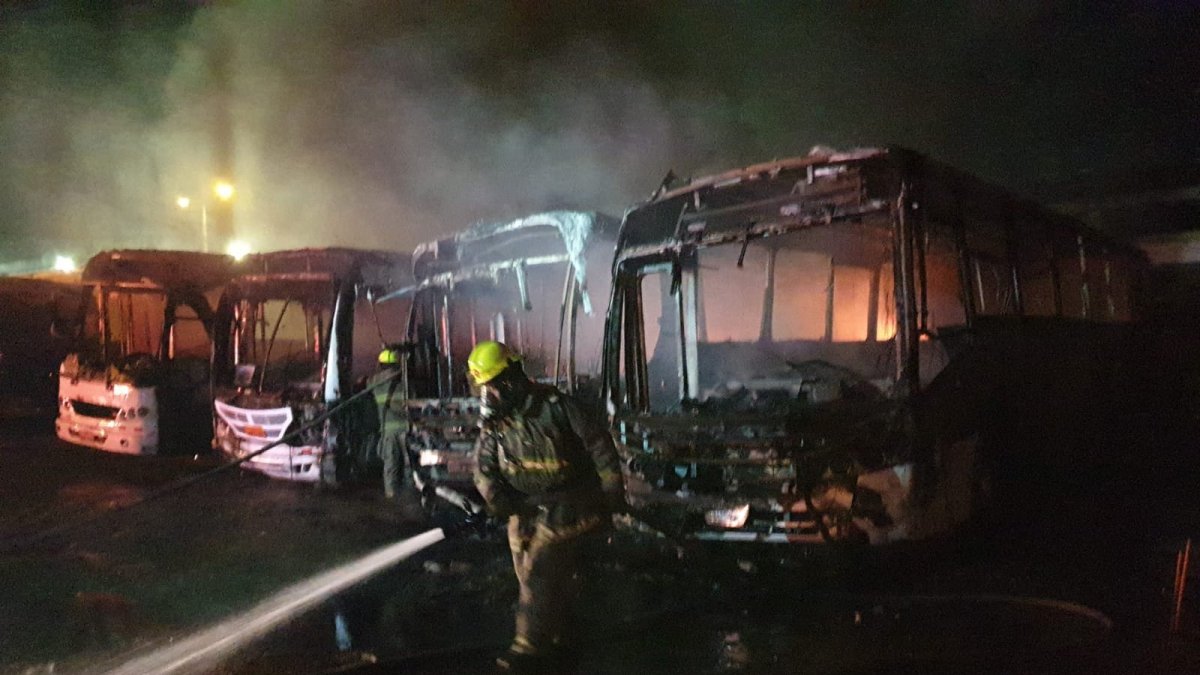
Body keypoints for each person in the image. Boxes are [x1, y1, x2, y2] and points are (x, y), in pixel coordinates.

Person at [468, 340, 625, 672]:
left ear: (510, 380)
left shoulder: (557, 406)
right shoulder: (497, 424)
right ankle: (559, 633)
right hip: (525, 509)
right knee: (527, 570)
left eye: (492, 388)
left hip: (572, 503)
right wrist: (498, 500)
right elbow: (483, 468)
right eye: (484, 390)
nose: (488, 397)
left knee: (540, 569)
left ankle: (527, 648)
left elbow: (599, 445)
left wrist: (612, 492)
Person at [368, 344, 423, 518]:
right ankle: (410, 503)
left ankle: (391, 503)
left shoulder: (374, 382)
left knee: (391, 468)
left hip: (388, 432)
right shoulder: (406, 382)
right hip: (406, 431)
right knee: (409, 467)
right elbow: (415, 400)